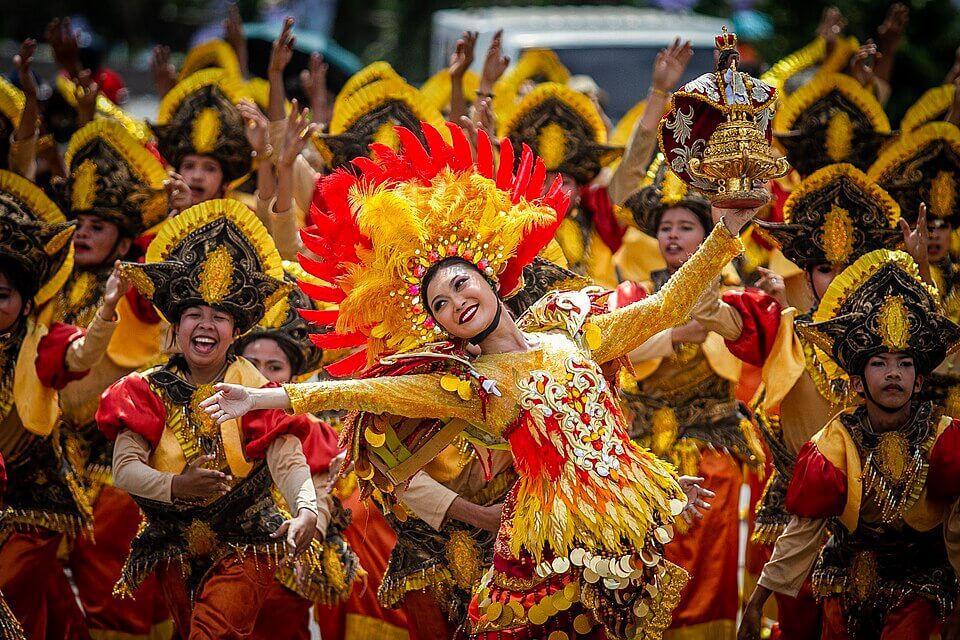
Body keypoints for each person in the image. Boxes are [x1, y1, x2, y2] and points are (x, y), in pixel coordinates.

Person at [200, 122, 754, 639]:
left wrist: (728, 230)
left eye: (461, 285)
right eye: (439, 304)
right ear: (437, 325)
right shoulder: (471, 384)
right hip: (546, 550)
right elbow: (363, 389)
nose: (455, 303)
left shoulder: (572, 334)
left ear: (490, 279)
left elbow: (667, 307)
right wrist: (261, 395)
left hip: (620, 529)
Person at [96, 199, 334, 639]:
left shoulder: (256, 389)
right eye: (193, 314)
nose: (205, 325)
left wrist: (304, 510)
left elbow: (287, 458)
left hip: (250, 543)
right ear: (177, 324)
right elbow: (125, 470)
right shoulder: (143, 390)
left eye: (219, 317)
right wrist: (177, 486)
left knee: (213, 632)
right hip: (173, 544)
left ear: (235, 329)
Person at [691, 163, 910, 638]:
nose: (837, 279)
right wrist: (720, 233)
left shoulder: (895, 341)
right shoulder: (779, 327)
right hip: (797, 508)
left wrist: (920, 273)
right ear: (806, 274)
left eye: (850, 266)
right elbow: (704, 308)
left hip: (881, 507)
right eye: (826, 268)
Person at [740, 249, 960, 639]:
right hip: (842, 580)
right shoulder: (834, 442)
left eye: (905, 364)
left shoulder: (945, 439)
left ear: (920, 380)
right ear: (856, 382)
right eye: (879, 363)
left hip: (921, 586)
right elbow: (803, 531)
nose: (893, 374)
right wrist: (757, 603)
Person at [613, 166, 764, 639]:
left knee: (711, 551)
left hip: (712, 444)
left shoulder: (734, 295)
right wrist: (674, 333)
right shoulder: (633, 296)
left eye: (686, 227)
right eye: (665, 228)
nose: (673, 236)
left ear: (706, 235)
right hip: (642, 452)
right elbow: (609, 346)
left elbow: (756, 356)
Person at [0, 170, 121, 639]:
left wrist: (107, 311)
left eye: (3, 296)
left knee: (9, 599)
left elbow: (83, 354)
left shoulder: (43, 345)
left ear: (28, 304)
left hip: (33, 505)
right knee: (49, 612)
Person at [236, 263, 375, 640]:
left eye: (274, 367)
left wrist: (306, 528)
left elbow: (322, 497)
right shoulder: (210, 410)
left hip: (280, 572)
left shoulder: (312, 429)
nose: (262, 376)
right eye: (252, 364)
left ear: (294, 378)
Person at [152, 69, 254, 213]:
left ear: (225, 180)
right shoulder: (156, 226)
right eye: (189, 166)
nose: (197, 176)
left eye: (210, 168)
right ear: (176, 171)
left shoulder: (245, 220)